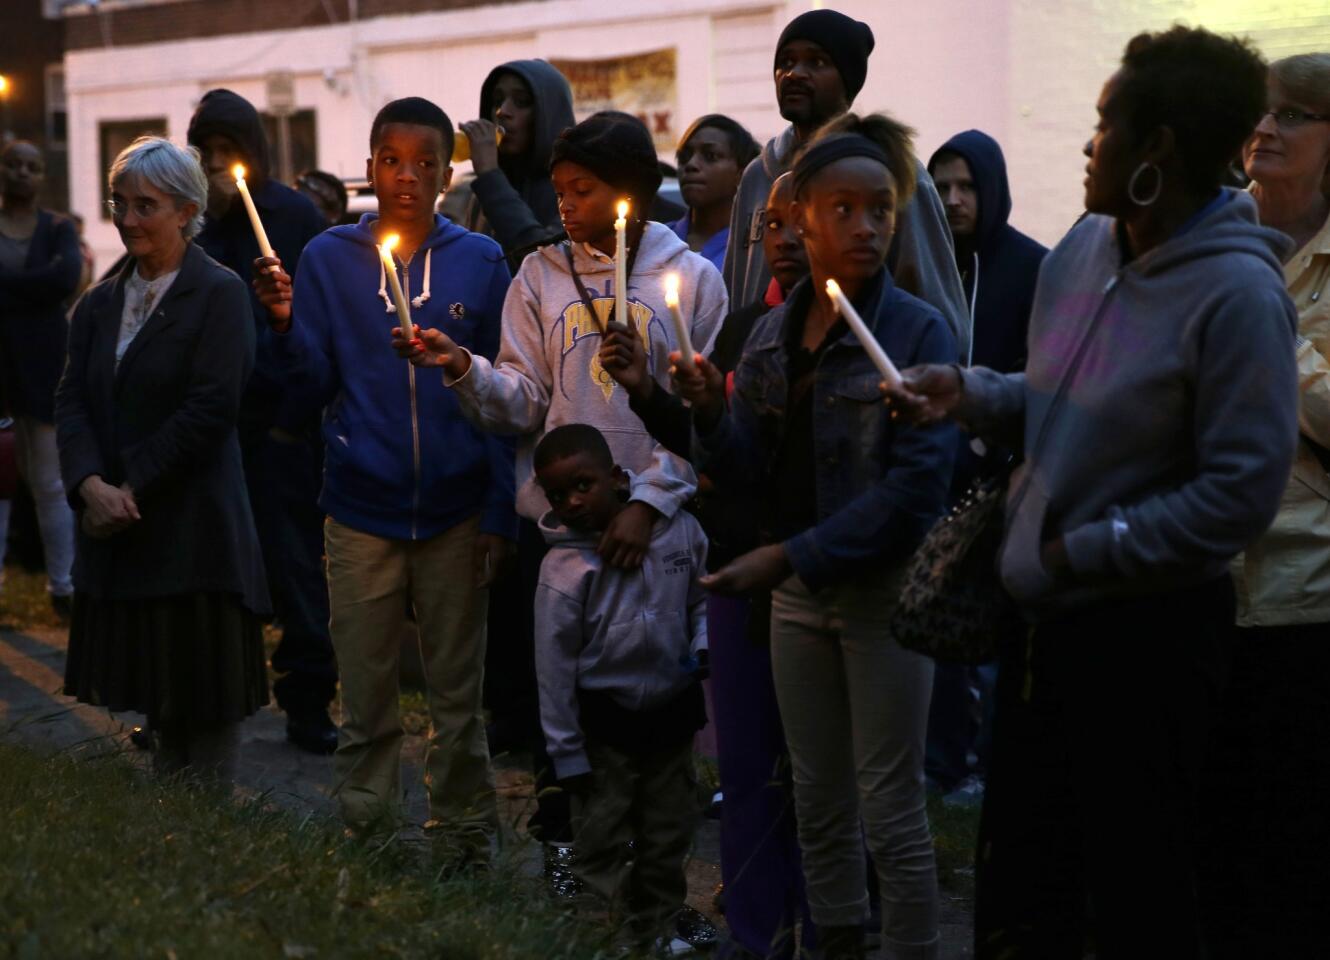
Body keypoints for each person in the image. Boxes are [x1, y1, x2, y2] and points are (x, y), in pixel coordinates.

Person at [889, 27, 1299, 959]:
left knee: (1136, 893)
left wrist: (1087, 548)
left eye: (1106, 123)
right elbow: (1056, 400)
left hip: (1148, 639)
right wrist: (975, 394)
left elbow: (1240, 491)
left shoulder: (1238, 294)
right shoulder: (1081, 249)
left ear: (1156, 150)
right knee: (1025, 886)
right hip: (1045, 630)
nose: (1088, 143)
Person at [396, 110, 725, 892]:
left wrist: (649, 502)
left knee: (652, 714)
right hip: (566, 536)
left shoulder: (693, 282)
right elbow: (523, 401)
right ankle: (570, 862)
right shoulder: (540, 277)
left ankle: (657, 887)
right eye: (560, 190)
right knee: (564, 708)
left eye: (585, 191)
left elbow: (701, 424)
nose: (568, 206)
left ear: (633, 192)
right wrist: (464, 369)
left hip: (659, 532)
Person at [678, 112, 959, 960]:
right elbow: (751, 464)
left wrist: (787, 556)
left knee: (891, 806)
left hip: (880, 597)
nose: (867, 226)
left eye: (881, 209)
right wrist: (698, 411)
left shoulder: (915, 333)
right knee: (818, 795)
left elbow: (915, 492)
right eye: (844, 208)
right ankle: (834, 945)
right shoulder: (771, 333)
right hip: (800, 598)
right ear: (798, 215)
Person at [253, 97, 515, 840]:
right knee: (365, 692)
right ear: (368, 168)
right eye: (392, 161)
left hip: (456, 511)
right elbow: (308, 386)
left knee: (457, 695)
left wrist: (499, 512)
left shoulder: (481, 260)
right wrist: (281, 325)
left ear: (448, 172)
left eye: (426, 163)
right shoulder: (330, 259)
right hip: (360, 508)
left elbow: (501, 399)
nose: (408, 177)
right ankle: (368, 830)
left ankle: (463, 834)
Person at [603, 171, 814, 959]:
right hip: (738, 569)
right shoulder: (752, 334)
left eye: (803, 222)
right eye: (773, 227)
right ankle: (758, 932)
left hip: (819, 580)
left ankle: (832, 928)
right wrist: (660, 397)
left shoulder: (885, 330)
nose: (784, 240)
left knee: (828, 784)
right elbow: (722, 457)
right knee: (749, 770)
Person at [56, 136, 270, 777]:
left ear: (186, 210)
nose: (127, 220)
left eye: (144, 205)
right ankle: (170, 848)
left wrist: (128, 488)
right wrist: (90, 484)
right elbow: (71, 402)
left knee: (204, 707)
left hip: (194, 532)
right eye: (119, 203)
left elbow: (211, 409)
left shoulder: (220, 294)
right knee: (157, 703)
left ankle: (212, 844)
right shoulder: (99, 303)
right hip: (124, 531)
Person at [1201, 51, 1330, 960]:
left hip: (1303, 587)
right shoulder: (1219, 237)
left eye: (1293, 115)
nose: (1266, 130)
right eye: (1262, 112)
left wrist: (1260, 327)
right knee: (1216, 839)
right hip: (1200, 577)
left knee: (1292, 847)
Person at [187, 88, 338, 755]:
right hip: (211, 420)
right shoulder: (192, 217)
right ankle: (209, 698)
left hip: (279, 418)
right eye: (208, 152)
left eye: (230, 152)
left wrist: (289, 419)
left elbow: (313, 321)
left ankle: (308, 703)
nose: (220, 166)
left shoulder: (291, 215)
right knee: (209, 566)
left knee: (294, 567)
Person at [531, 423, 708, 953]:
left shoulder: (680, 532)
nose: (572, 502)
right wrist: (566, 755)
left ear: (615, 477)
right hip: (603, 729)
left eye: (583, 485)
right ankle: (603, 940)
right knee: (600, 843)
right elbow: (553, 671)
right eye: (558, 495)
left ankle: (655, 930)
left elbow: (703, 597)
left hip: (672, 714)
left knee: (667, 837)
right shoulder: (562, 570)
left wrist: (702, 645)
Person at [722, 9, 968, 357]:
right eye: (786, 61)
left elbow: (938, 310)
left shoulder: (893, 174)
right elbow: (737, 291)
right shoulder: (757, 176)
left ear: (847, 82)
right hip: (762, 384)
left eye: (817, 62)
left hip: (862, 386)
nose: (794, 74)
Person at [922, 131, 1048, 802]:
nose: (953, 200)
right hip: (939, 476)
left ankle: (993, 767)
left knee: (998, 632)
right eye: (941, 187)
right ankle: (943, 762)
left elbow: (1044, 373)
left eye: (967, 186)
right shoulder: (923, 266)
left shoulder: (1033, 267)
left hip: (1006, 479)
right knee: (939, 621)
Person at [0, 140, 80, 618]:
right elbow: (48, 285)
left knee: (49, 479)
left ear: (43, 175)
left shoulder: (57, 229)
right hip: (1, 369)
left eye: (32, 167)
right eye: (13, 164)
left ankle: (63, 586)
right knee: (1, 480)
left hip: (45, 367)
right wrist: (35, 290)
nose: (22, 173)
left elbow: (65, 279)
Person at [460, 59, 575, 270]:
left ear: (549, 114)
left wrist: (489, 176)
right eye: (496, 101)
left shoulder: (572, 188)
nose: (502, 112)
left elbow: (542, 263)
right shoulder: (483, 192)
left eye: (521, 101)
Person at [669, 115, 759, 274]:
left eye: (710, 156)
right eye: (684, 156)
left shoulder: (755, 249)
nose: (691, 164)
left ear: (742, 172)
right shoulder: (658, 241)